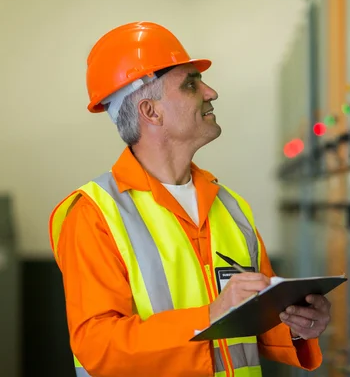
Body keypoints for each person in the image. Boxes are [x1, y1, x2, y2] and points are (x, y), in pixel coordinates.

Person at [48, 21, 332, 377]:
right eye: (191, 84)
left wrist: (296, 325)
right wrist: (211, 315)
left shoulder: (229, 206)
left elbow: (255, 317)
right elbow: (98, 346)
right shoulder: (93, 214)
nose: (210, 92)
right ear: (151, 112)